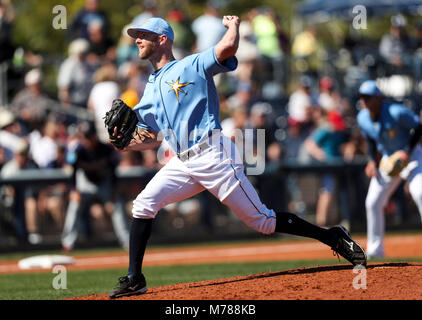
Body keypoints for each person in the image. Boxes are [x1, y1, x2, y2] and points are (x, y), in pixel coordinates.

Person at [108, 16, 366, 299]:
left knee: (263, 221)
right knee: (145, 203)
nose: (137, 40)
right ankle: (135, 278)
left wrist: (233, 26)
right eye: (136, 35)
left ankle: (333, 237)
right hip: (182, 161)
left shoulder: (191, 65)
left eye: (143, 34)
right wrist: (124, 145)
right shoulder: (150, 86)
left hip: (213, 155)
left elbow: (227, 49)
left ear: (162, 39)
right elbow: (150, 137)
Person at [357, 80, 422, 258]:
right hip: (388, 159)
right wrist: (372, 161)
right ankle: (375, 251)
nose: (364, 100)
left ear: (378, 98)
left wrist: (407, 151)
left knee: (419, 192)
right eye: (362, 97)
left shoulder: (396, 111)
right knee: (373, 201)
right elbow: (370, 139)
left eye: (367, 97)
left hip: (411, 155)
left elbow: (418, 127)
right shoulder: (362, 117)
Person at [61, 123, 129, 251]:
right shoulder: (78, 150)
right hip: (85, 185)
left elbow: (113, 172)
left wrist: (114, 191)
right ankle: (68, 242)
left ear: (94, 136)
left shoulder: (106, 149)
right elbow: (73, 172)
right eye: (84, 137)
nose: (86, 140)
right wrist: (73, 190)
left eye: (88, 137)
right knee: (74, 205)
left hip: (104, 184)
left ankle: (126, 240)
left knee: (117, 204)